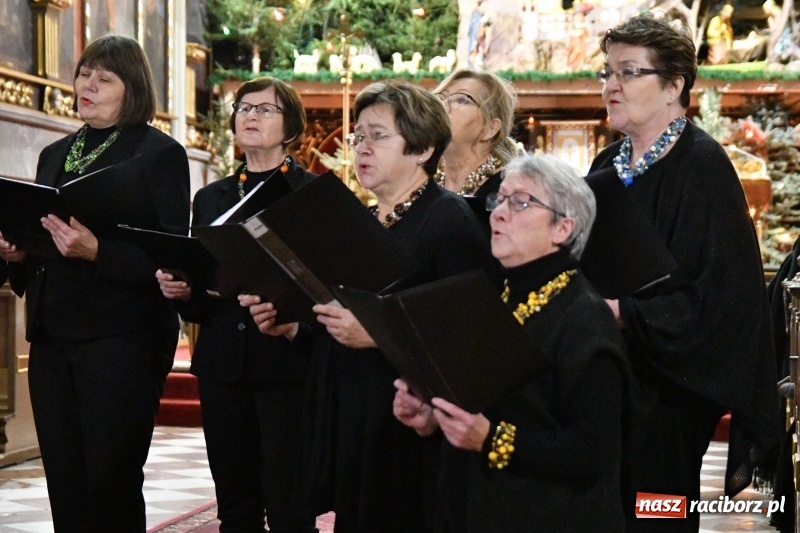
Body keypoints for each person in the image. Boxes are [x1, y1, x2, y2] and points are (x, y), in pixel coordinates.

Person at [242, 80, 497, 532]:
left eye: (378, 136)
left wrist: (378, 333)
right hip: (361, 425)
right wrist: (293, 330)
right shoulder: (364, 222)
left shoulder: (448, 219)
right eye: (358, 136)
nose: (361, 147)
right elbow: (339, 329)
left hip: (414, 435)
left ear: (422, 149)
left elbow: (468, 337)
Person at [592, 14, 780, 532]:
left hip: (670, 394)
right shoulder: (608, 163)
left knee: (658, 511)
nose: (611, 85)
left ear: (675, 84)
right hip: (604, 384)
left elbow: (723, 299)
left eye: (628, 73)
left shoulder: (703, 166)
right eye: (606, 72)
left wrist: (625, 312)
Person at [0, 35, 190, 532]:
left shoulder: (159, 154)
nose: (88, 85)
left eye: (104, 79)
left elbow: (172, 252)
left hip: (123, 337)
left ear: (132, 89)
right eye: (85, 73)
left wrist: (98, 251)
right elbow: (44, 237)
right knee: (65, 477)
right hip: (53, 334)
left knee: (110, 479)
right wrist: (18, 252)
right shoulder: (55, 151)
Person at [393, 153, 629, 531]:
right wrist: (433, 417)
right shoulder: (500, 297)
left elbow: (592, 451)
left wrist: (491, 439)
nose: (498, 214)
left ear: (562, 228)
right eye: (499, 200)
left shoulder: (584, 318)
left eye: (520, 202)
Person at [156, 76, 319, 533]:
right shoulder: (212, 197)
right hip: (224, 363)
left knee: (290, 506)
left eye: (265, 110)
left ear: (291, 128)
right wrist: (184, 292)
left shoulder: (309, 194)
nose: (250, 115)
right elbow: (204, 285)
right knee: (236, 503)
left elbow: (324, 287)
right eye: (244, 108)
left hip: (286, 365)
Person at [432, 68, 518, 199]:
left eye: (460, 100)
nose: (442, 105)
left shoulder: (506, 192)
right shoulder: (421, 184)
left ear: (490, 128)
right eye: (439, 98)